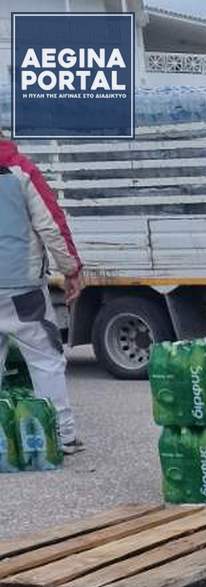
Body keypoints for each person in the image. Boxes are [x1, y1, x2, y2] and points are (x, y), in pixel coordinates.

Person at [0, 134, 84, 452]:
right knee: (46, 360)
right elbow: (50, 225)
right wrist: (71, 269)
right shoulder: (21, 170)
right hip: (22, 288)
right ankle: (61, 435)